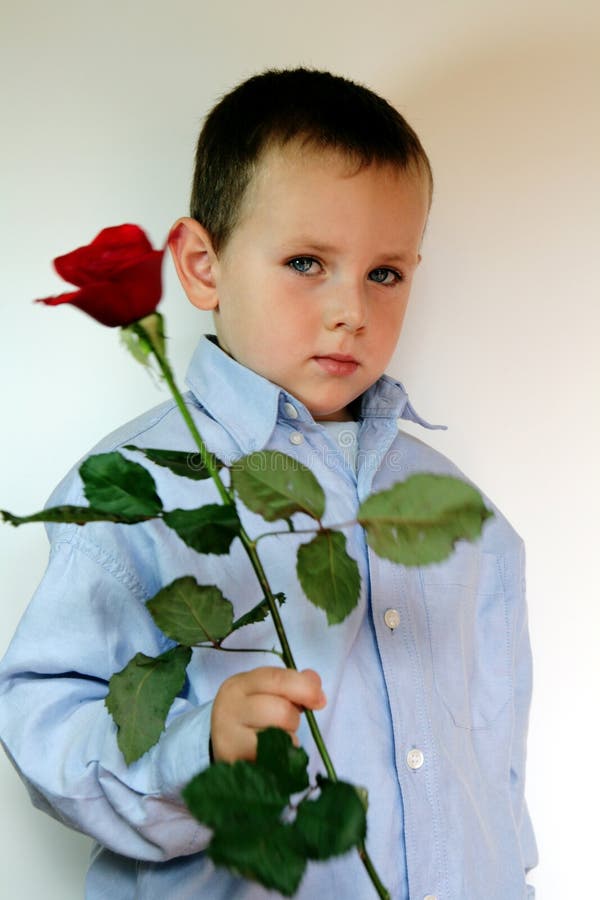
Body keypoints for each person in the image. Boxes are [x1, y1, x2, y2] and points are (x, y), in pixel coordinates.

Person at [0, 68, 537, 898]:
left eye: (385, 273)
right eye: (306, 261)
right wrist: (196, 748)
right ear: (202, 265)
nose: (351, 309)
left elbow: (493, 763)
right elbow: (45, 721)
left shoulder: (464, 516)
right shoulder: (137, 493)